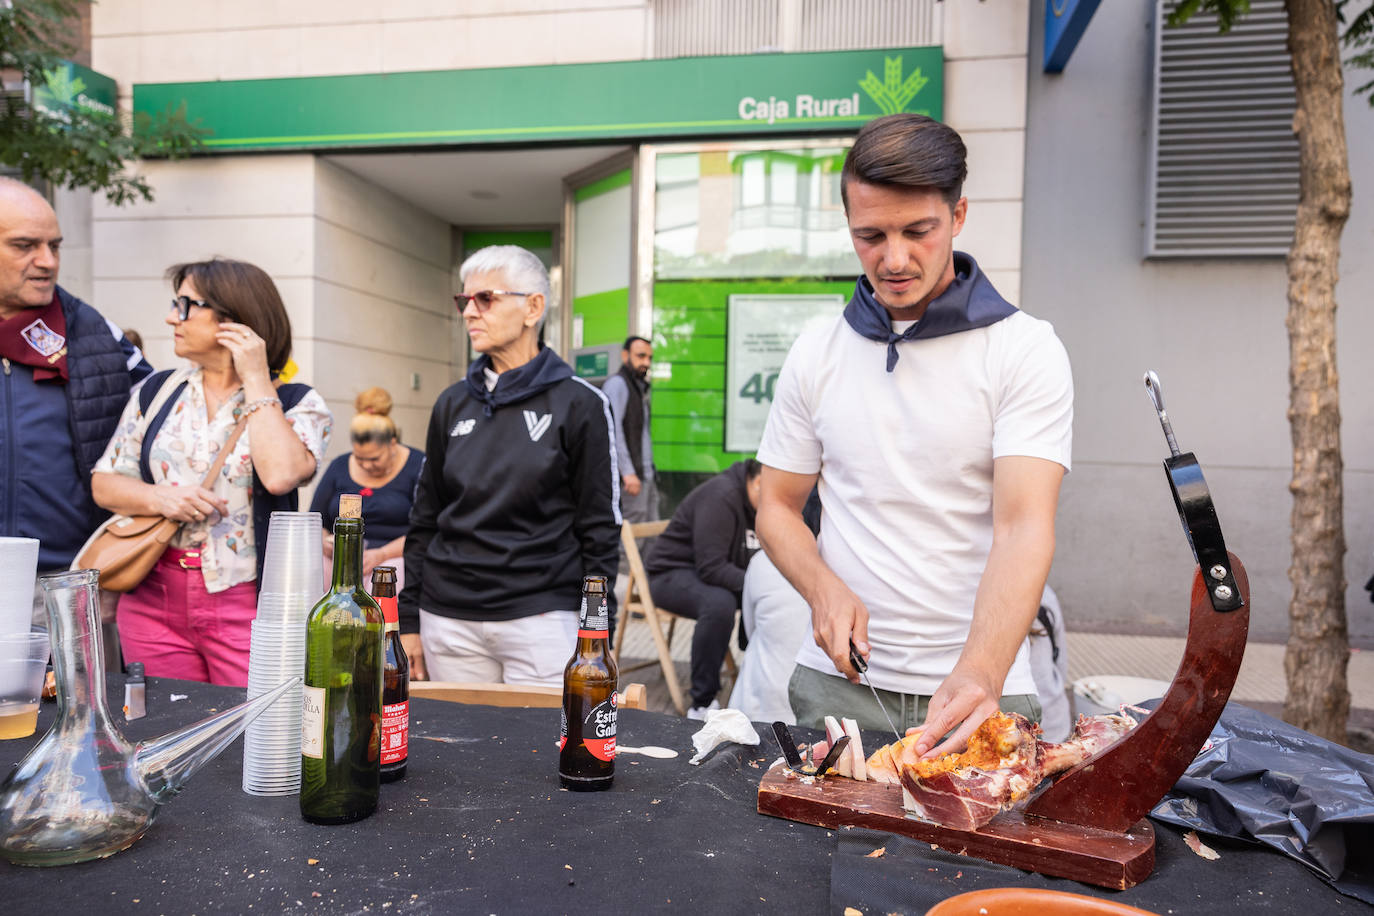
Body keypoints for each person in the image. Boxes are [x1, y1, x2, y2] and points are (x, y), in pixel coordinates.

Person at [755, 113, 1073, 759]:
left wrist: (981, 670)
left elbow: (1024, 527)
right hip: (836, 688)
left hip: (984, 690)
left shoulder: (1023, 349)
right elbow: (777, 507)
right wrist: (821, 587)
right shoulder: (818, 351)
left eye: (917, 232)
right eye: (869, 236)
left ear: (957, 216)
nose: (893, 259)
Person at [91, 258, 333, 686]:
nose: (172, 317)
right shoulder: (157, 390)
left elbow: (280, 476)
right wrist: (161, 497)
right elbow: (105, 481)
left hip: (250, 602)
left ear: (234, 318)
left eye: (186, 305)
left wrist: (257, 377)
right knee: (164, 726)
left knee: (251, 731)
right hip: (151, 593)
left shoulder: (298, 402)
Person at [399, 245, 620, 686]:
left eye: (487, 298)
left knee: (542, 753)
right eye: (464, 301)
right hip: (448, 619)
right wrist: (408, 622)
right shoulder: (451, 403)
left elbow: (599, 528)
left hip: (541, 618)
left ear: (533, 307)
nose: (469, 313)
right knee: (457, 752)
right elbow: (424, 518)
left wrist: (597, 631)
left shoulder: (581, 404)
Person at [0, 178, 152, 643]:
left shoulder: (92, 333)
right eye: (25, 246)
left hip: (67, 584)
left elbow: (162, 428)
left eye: (54, 245)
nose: (47, 261)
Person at [645, 459, 761, 718]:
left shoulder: (757, 505)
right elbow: (713, 567)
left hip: (703, 574)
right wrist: (758, 584)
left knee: (767, 596)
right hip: (669, 573)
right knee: (720, 603)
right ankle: (701, 703)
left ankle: (757, 680)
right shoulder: (721, 496)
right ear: (760, 482)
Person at [310, 387, 424, 589]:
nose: (367, 465)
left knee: (385, 578)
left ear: (392, 443)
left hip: (395, 555)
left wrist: (382, 554)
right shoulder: (339, 466)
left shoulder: (419, 465)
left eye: (374, 459)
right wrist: (326, 543)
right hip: (341, 558)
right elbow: (316, 519)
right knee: (313, 575)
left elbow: (426, 529)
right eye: (359, 458)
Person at [602, 335, 658, 522]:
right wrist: (627, 471)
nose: (646, 362)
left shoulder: (638, 387)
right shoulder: (618, 384)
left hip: (645, 476)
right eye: (640, 356)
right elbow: (612, 430)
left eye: (649, 358)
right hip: (630, 479)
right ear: (625, 355)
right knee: (631, 537)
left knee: (650, 534)